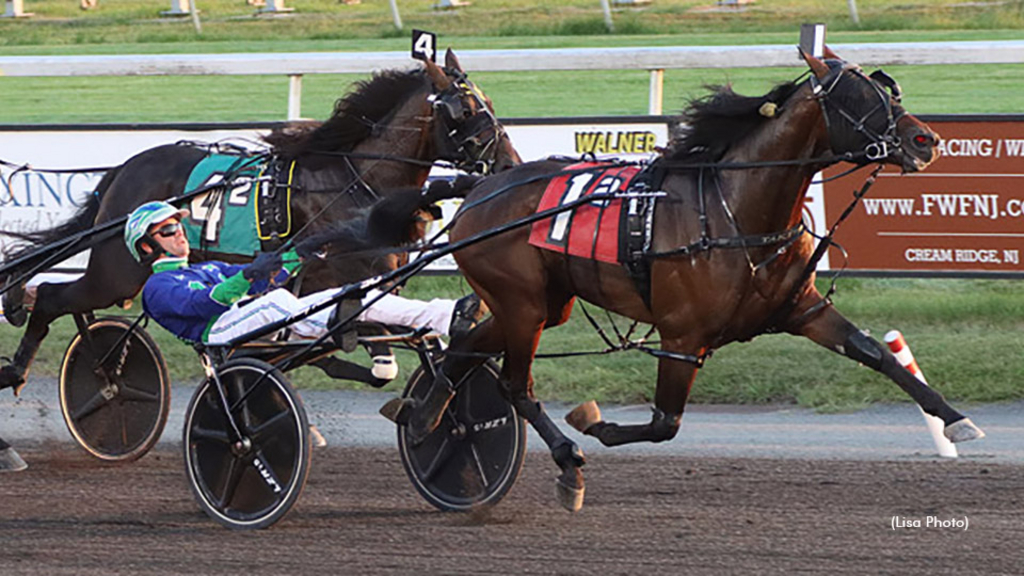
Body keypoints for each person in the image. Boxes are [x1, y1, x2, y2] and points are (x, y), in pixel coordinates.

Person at [124, 201, 483, 378]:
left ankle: (444, 317)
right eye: (167, 231)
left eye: (178, 226)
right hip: (220, 336)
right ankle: (334, 319)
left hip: (261, 319)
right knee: (280, 300)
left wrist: (302, 255)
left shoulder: (209, 267)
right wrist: (251, 276)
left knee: (366, 291)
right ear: (146, 247)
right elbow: (205, 303)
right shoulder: (157, 287)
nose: (179, 233)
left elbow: (264, 276)